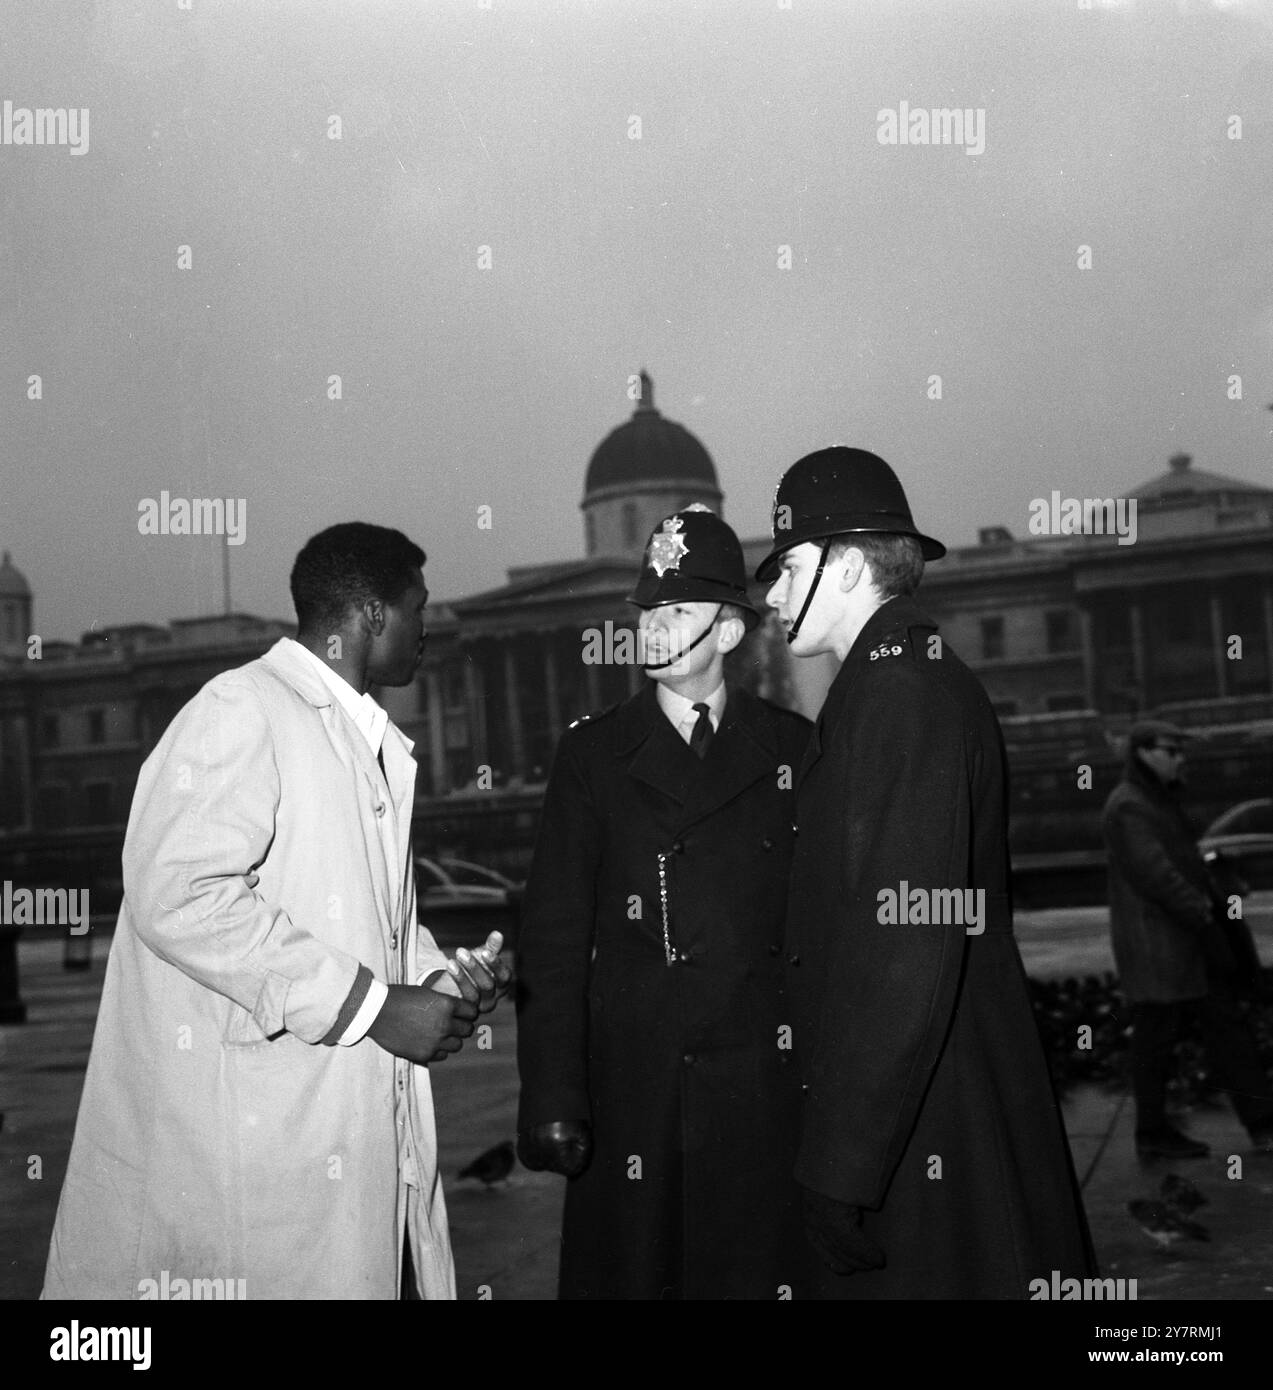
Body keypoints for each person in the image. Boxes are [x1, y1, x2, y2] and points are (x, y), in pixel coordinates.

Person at [43, 522, 511, 1301]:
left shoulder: (363, 739)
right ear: (369, 614)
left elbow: (351, 915)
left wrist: (436, 976)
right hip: (259, 1162)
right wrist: (370, 1005)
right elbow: (179, 893)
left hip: (349, 1147)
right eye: (417, 608)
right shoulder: (240, 708)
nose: (429, 629)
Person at [757, 446, 1095, 1299]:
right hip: (927, 1105)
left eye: (785, 568)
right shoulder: (895, 683)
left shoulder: (899, 694)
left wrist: (842, 1161)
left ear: (842, 564)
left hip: (926, 1121)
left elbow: (903, 950)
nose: (767, 596)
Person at [516, 506, 811, 1299]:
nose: (652, 629)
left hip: (762, 1089)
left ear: (726, 633)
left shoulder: (792, 749)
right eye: (647, 611)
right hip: (637, 1092)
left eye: (677, 611)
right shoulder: (592, 756)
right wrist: (553, 1093)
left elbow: (821, 933)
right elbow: (551, 940)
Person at [1102, 718, 1273, 1160]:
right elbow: (1156, 874)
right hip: (1164, 945)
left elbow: (1179, 869)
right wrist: (1204, 914)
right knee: (1167, 1038)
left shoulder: (1152, 801)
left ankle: (1254, 1125)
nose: (1182, 759)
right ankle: (1157, 1134)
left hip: (1180, 944)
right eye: (1171, 750)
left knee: (1215, 1031)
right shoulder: (1131, 806)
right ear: (1143, 752)